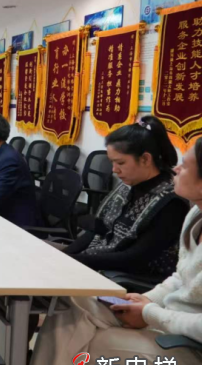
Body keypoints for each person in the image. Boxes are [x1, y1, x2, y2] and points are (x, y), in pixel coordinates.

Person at [25, 141, 202, 365]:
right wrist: (145, 299)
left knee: (84, 345)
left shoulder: (173, 205)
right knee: (74, 301)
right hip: (169, 322)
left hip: (193, 351)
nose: (176, 169)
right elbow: (181, 277)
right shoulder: (196, 215)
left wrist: (150, 314)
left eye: (186, 166)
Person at [63, 116, 188, 279]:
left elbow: (135, 258)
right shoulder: (128, 185)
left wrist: (74, 261)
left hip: (128, 278)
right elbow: (99, 231)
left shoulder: (171, 202)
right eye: (112, 162)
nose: (114, 170)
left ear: (145, 159)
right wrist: (64, 256)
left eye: (120, 163)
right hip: (100, 261)